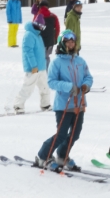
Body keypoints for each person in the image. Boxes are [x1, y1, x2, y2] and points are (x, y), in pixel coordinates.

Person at [37, 32, 93, 172]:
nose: (70, 44)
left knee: (75, 134)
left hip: (79, 104)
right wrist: (69, 87)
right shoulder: (56, 62)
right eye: (67, 41)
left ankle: (62, 155)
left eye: (72, 42)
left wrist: (86, 85)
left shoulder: (80, 61)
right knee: (61, 134)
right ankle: (43, 156)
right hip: (64, 105)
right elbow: (51, 82)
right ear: (62, 43)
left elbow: (88, 77)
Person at [11, 12, 53, 113]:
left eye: (43, 27)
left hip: (41, 67)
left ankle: (45, 104)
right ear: (37, 24)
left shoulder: (38, 35)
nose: (42, 28)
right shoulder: (29, 35)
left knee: (44, 87)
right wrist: (34, 65)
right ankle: (18, 105)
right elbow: (28, 51)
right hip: (33, 68)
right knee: (28, 87)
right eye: (41, 26)